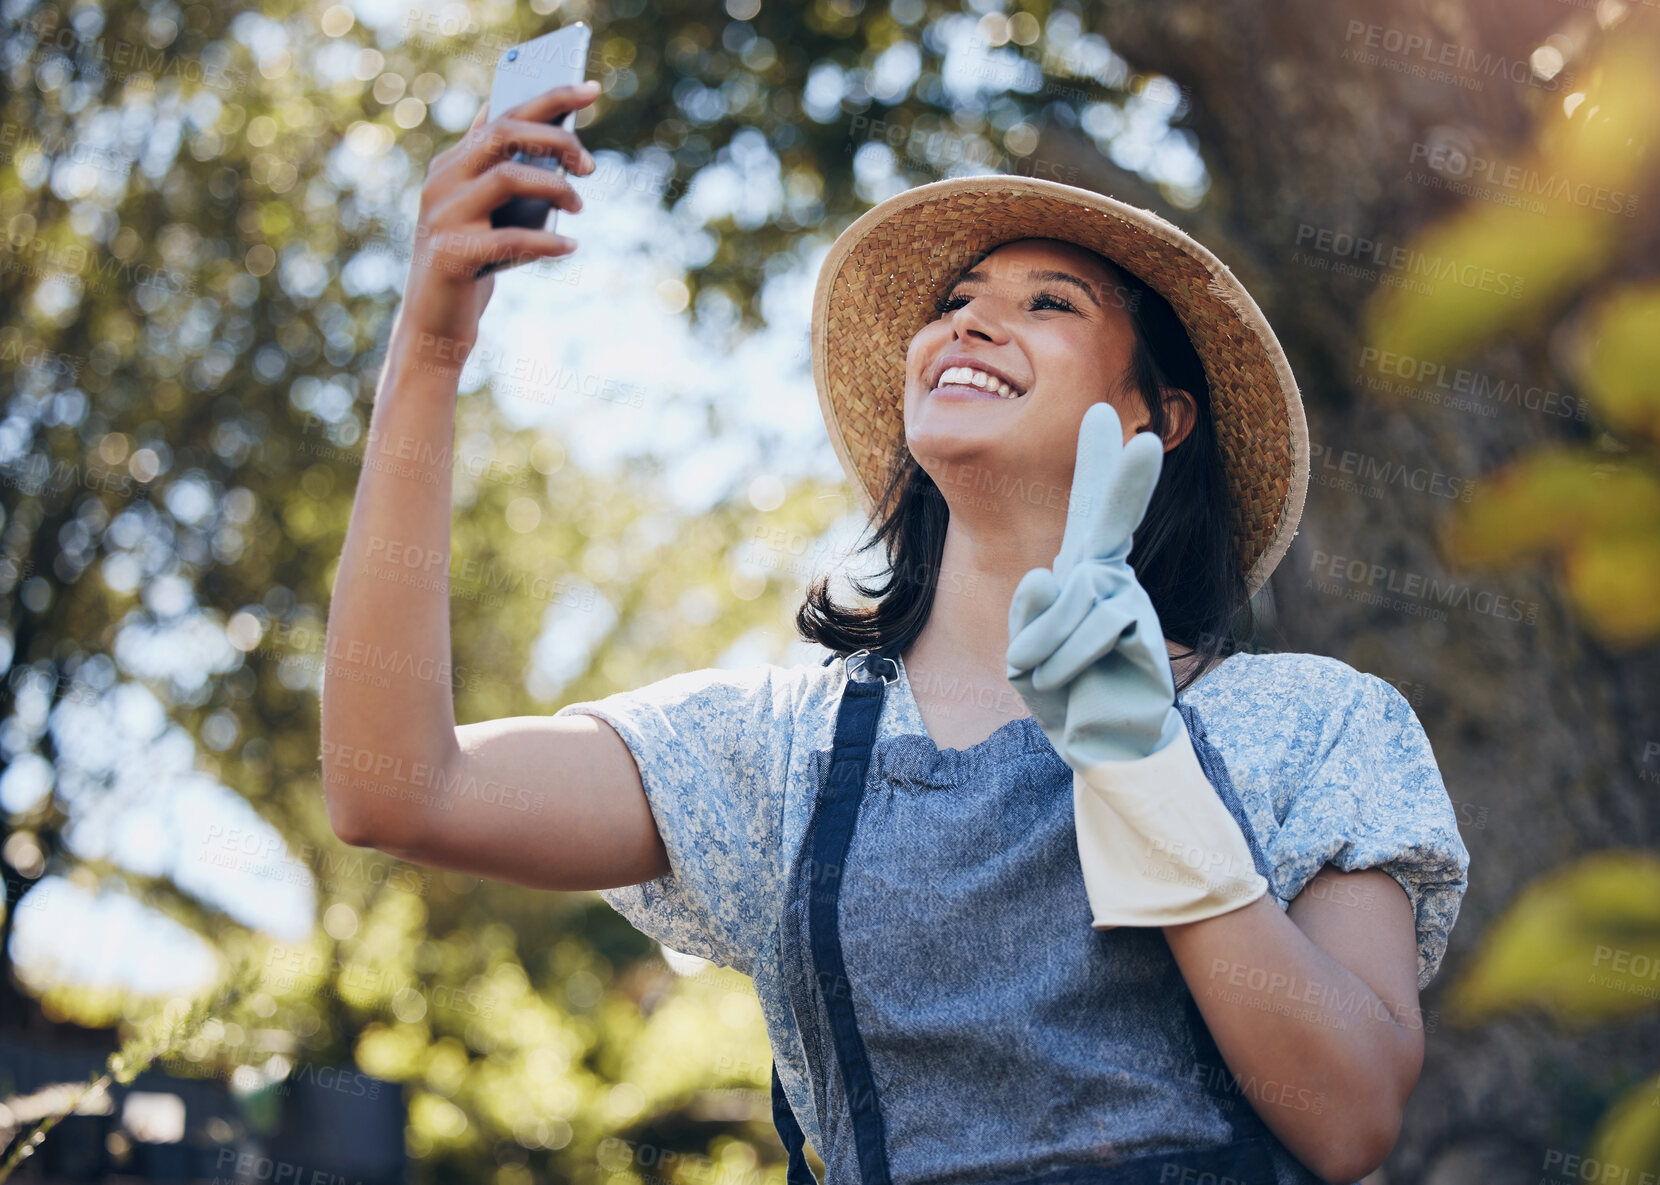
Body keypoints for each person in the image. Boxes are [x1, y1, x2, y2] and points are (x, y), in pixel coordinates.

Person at [322, 81, 1471, 1185]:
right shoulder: (772, 754)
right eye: (955, 300)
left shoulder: (1311, 723)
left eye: (1047, 303)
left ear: (1155, 419)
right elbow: (395, 790)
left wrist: (1148, 773)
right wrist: (429, 348)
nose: (969, 317)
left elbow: (1352, 1118)